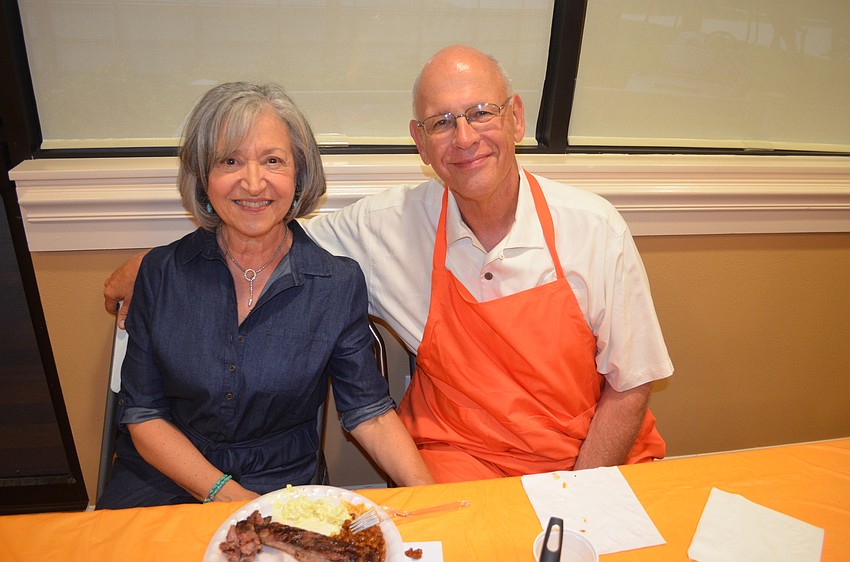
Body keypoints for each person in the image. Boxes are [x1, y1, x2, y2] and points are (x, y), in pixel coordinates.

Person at [104, 46, 673, 484]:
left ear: (517, 118)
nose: (465, 137)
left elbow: (632, 385)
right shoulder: (385, 227)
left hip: (588, 459)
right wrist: (152, 267)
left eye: (481, 113)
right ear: (420, 143)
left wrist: (577, 497)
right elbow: (261, 227)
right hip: (463, 458)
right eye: (442, 122)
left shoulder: (594, 228)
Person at [97, 82, 433, 509]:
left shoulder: (335, 284)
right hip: (165, 476)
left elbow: (369, 411)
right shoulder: (160, 275)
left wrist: (428, 496)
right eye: (229, 160)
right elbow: (143, 415)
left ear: (299, 173)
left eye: (273, 160)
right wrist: (229, 497)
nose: (253, 182)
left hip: (281, 485)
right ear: (204, 176)